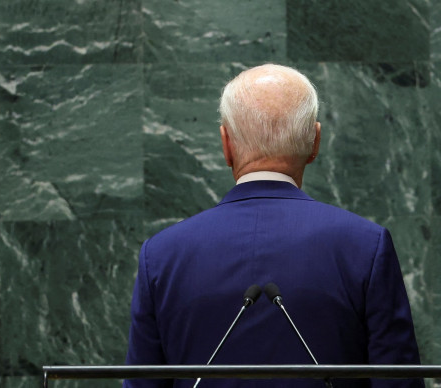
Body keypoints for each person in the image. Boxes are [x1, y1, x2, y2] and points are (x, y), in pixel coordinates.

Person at [124, 64, 421, 388]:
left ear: (226, 145)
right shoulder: (367, 247)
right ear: (315, 142)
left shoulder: (161, 256)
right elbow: (399, 383)